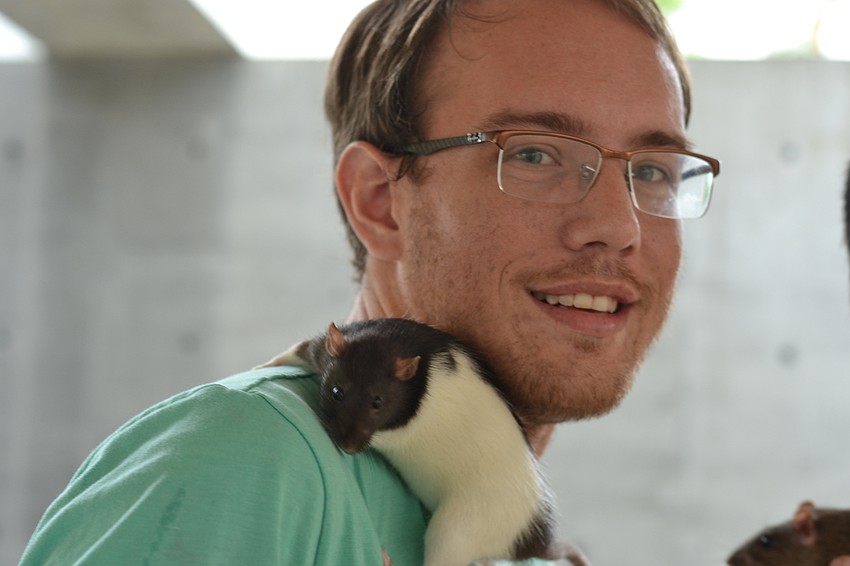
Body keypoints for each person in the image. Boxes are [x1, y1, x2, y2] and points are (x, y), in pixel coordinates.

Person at [19, 0, 720, 564]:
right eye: (534, 154)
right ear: (381, 202)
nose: (619, 225)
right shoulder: (244, 462)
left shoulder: (489, 525)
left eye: (652, 170)